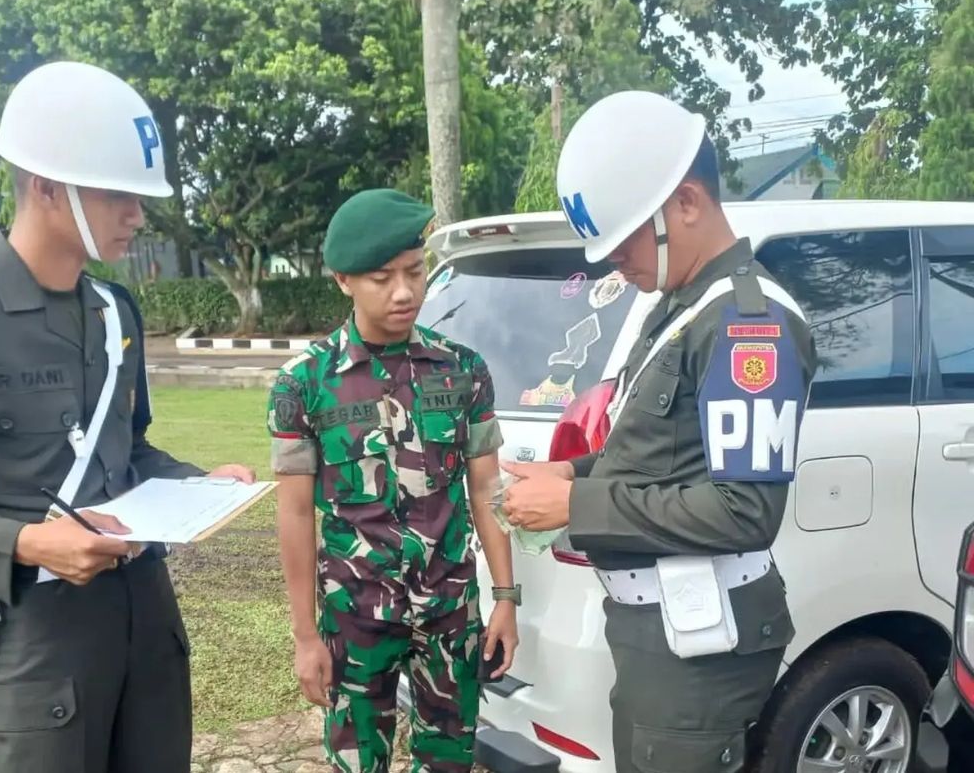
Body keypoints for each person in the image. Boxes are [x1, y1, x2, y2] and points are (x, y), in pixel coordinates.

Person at [0, 60, 254, 773]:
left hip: (146, 628)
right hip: (33, 647)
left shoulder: (115, 311)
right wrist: (28, 542)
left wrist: (198, 485)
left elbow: (130, 450)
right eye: (119, 194)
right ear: (46, 186)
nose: (137, 215)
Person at [500, 91, 818, 772]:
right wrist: (572, 472)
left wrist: (574, 503)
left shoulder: (747, 325)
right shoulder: (680, 307)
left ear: (688, 203)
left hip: (699, 646)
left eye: (624, 240)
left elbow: (744, 510)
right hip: (663, 634)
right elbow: (655, 453)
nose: (614, 260)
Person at [268, 188, 519, 773]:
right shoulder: (303, 384)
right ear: (343, 281)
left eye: (415, 271)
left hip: (449, 611)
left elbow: (487, 489)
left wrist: (506, 599)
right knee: (359, 764)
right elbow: (295, 513)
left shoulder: (463, 370)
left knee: (449, 762)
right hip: (355, 614)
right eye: (382, 278)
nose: (405, 291)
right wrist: (305, 636)